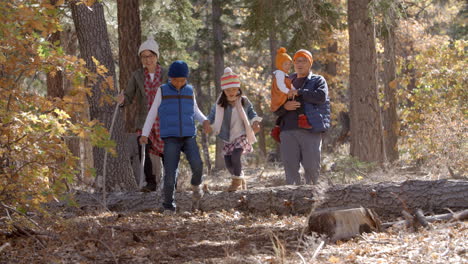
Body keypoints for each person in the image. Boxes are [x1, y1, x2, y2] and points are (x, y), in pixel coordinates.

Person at [140, 60, 211, 213]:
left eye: (182, 80)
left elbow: (195, 110)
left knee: (198, 164)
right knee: (170, 173)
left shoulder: (190, 90)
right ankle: (168, 205)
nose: (178, 83)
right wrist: (145, 133)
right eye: (175, 80)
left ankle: (196, 184)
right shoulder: (162, 91)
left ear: (186, 79)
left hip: (188, 136)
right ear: (170, 78)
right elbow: (152, 113)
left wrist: (204, 120)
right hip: (171, 137)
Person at [274, 49, 330, 185]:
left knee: (312, 167)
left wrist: (299, 92)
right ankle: (293, 202)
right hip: (287, 130)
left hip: (310, 130)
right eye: (297, 61)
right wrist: (284, 107)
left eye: (303, 61)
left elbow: (321, 97)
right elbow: (275, 104)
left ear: (310, 63)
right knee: (290, 169)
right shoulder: (286, 80)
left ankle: (314, 200)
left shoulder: (318, 80)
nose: (299, 64)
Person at [117, 36, 165, 192]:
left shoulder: (166, 73)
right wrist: (123, 99)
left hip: (164, 118)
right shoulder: (137, 75)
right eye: (144, 57)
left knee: (167, 150)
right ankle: (150, 183)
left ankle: (171, 182)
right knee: (143, 146)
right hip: (145, 119)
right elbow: (129, 96)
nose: (147, 59)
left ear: (156, 56)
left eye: (150, 56)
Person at [208, 67, 262, 191]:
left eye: (234, 89)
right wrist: (207, 123)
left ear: (238, 88)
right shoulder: (219, 103)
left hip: (242, 134)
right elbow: (211, 115)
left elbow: (252, 113)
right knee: (228, 161)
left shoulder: (244, 101)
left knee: (236, 155)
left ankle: (236, 181)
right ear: (224, 90)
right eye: (228, 90)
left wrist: (255, 122)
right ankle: (240, 177)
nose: (231, 92)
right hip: (228, 136)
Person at [270, 47, 312, 142]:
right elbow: (281, 85)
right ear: (280, 64)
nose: (288, 66)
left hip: (284, 95)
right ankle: (302, 118)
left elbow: (291, 86)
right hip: (281, 95)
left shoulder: (286, 75)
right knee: (296, 102)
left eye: (289, 64)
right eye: (285, 64)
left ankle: (276, 129)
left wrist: (294, 90)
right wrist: (290, 92)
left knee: (283, 109)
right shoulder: (280, 74)